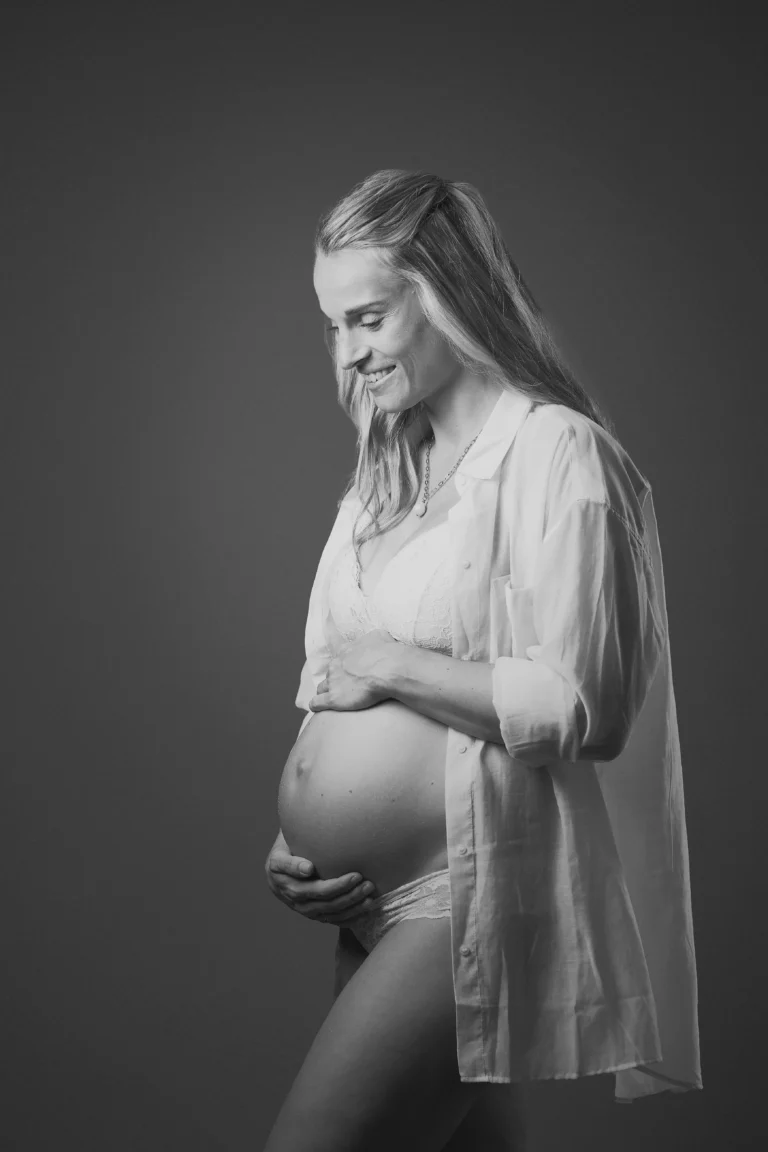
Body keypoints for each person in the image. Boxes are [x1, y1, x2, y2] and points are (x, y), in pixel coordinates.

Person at [263, 170, 702, 1152]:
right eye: (332, 326)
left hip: (465, 895)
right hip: (368, 906)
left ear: (449, 294)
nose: (348, 352)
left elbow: (591, 703)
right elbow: (330, 681)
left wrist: (395, 670)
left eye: (368, 318)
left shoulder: (562, 461)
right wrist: (293, 842)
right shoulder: (386, 471)